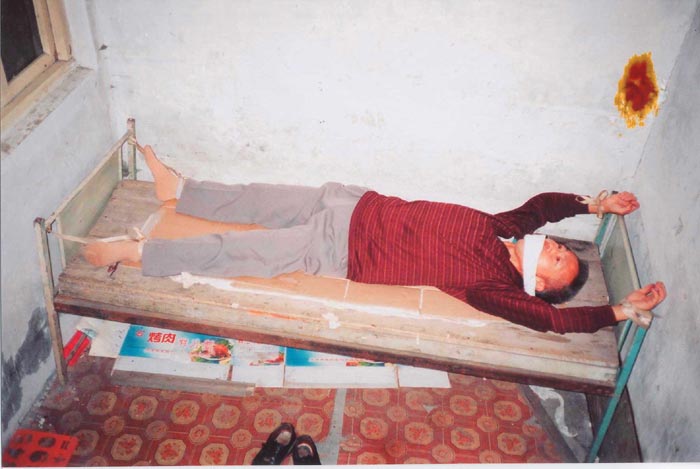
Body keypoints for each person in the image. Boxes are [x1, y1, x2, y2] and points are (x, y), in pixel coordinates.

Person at [84, 142, 667, 334]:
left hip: (339, 251)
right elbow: (542, 207)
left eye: (559, 262)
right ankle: (181, 191)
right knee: (257, 198)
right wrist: (595, 204)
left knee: (238, 252)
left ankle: (140, 253)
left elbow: (553, 322)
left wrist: (617, 311)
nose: (559, 249)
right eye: (563, 249)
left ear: (538, 284)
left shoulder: (490, 286)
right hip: (354, 203)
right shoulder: (505, 229)